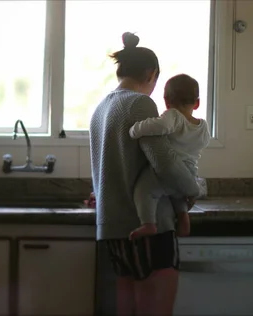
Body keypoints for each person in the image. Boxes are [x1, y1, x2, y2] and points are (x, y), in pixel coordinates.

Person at [89, 32, 200, 316]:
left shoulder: (101, 107)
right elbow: (163, 162)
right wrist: (192, 187)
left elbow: (109, 165)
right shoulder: (139, 104)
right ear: (151, 74)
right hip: (148, 227)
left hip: (114, 229)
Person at [128, 74, 211, 241]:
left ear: (166, 101)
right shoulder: (203, 126)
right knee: (178, 194)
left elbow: (161, 126)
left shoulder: (173, 116)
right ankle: (183, 218)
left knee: (144, 191)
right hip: (189, 172)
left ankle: (149, 224)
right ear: (197, 102)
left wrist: (135, 129)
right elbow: (204, 143)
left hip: (168, 170)